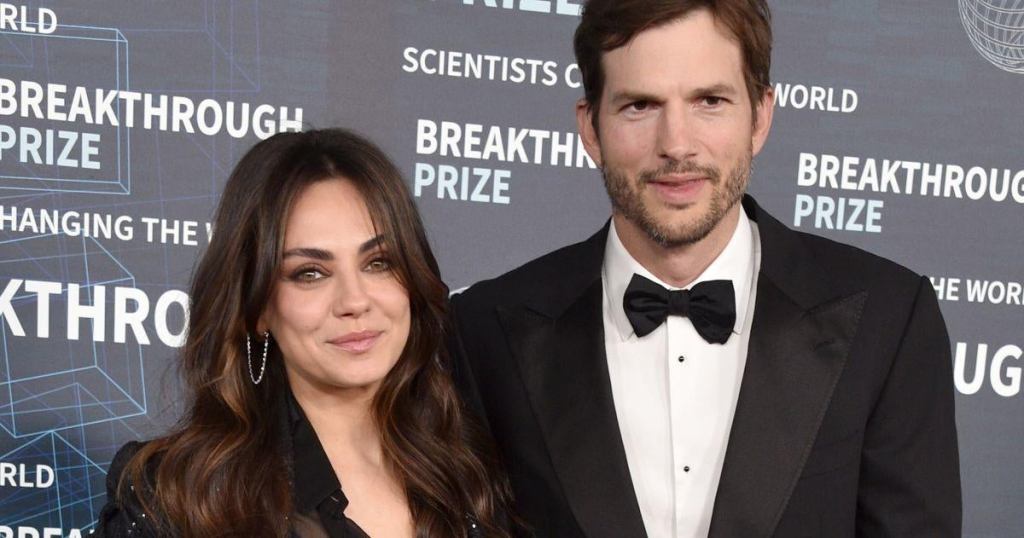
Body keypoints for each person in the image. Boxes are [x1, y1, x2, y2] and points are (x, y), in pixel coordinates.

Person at [448, 1, 962, 537]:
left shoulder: (889, 320)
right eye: (640, 106)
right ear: (591, 128)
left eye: (710, 101)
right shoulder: (484, 331)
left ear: (760, 116)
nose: (677, 145)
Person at [95, 129, 511, 537]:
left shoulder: (472, 472)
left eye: (379, 262)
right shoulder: (177, 493)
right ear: (256, 309)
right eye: (310, 273)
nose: (354, 300)